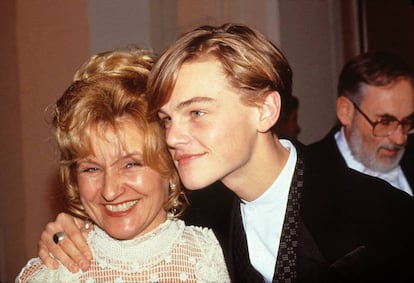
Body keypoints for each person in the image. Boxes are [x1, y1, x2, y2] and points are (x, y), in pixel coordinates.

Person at [37, 24, 414, 283]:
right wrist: (67, 231)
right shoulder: (195, 216)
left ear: (265, 110)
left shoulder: (384, 214)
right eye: (167, 119)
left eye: (197, 113)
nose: (173, 136)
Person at [16, 50, 230, 282]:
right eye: (91, 168)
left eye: (131, 164)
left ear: (171, 167)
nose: (110, 190)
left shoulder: (220, 258)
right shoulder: (49, 273)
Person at [309, 52, 414, 196]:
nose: (400, 139)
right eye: (385, 122)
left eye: (407, 122)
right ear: (345, 111)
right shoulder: (308, 175)